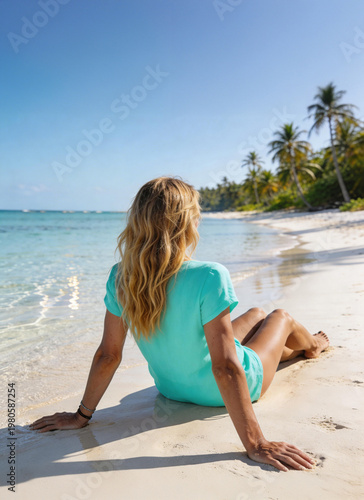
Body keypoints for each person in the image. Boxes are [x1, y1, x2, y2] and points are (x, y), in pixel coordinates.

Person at [30, 176, 329, 472]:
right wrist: (256, 443)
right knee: (280, 317)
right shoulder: (210, 275)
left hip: (171, 388)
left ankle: (289, 353)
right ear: (186, 223)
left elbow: (109, 355)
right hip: (227, 390)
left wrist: (81, 416)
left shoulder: (121, 277)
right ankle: (314, 346)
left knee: (255, 314)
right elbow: (225, 365)